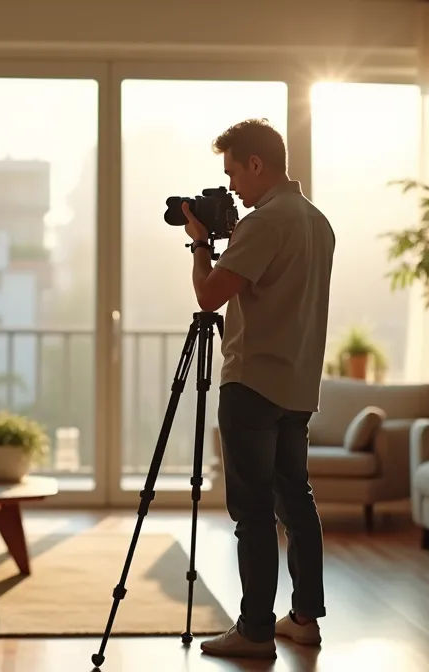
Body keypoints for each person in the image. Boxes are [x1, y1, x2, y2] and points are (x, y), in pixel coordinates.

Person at [178, 118, 335, 659]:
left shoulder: (265, 222)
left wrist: (201, 245)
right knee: (296, 497)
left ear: (255, 164)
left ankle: (254, 631)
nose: (232, 189)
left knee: (251, 510)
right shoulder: (317, 222)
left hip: (252, 382)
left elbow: (209, 296)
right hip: (297, 384)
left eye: (233, 174)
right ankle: (305, 619)